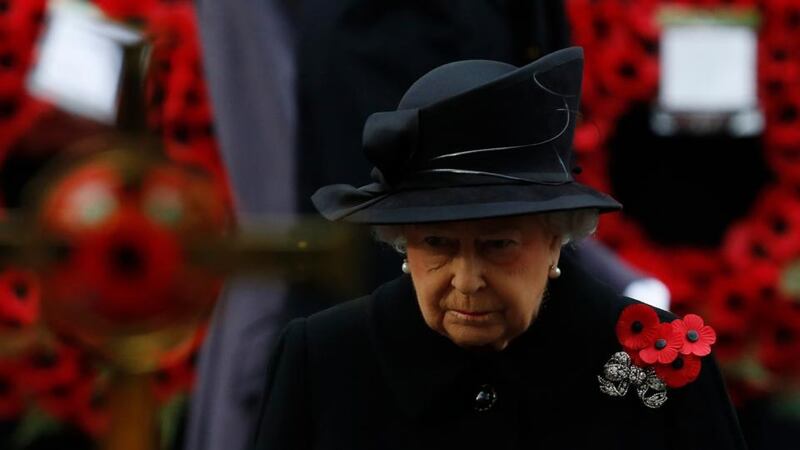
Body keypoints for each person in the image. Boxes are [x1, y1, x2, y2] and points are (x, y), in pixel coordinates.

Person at [251, 47, 745, 449]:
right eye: (438, 244)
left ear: (557, 237)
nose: (467, 280)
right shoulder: (324, 358)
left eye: (498, 245)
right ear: (403, 242)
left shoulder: (661, 360)